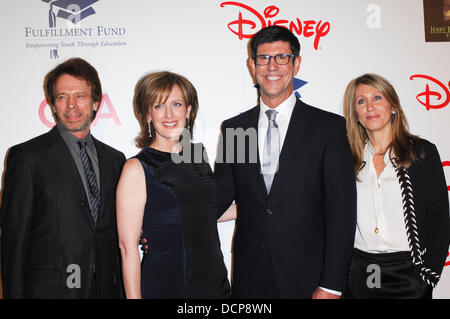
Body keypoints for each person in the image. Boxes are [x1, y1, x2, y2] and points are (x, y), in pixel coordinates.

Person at [214, 25, 357, 298]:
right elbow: (215, 200)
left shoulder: (328, 128)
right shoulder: (236, 129)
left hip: (310, 279)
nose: (272, 66)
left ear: (297, 63)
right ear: (252, 65)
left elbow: (342, 213)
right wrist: (163, 225)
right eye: (264, 58)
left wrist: (331, 284)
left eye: (282, 57)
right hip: (251, 279)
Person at [0, 58, 126, 298]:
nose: (71, 106)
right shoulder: (27, 157)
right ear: (52, 105)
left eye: (80, 96)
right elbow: (14, 245)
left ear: (96, 102)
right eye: (62, 97)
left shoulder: (116, 160)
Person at [116, 71, 231, 299]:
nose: (168, 114)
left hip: (214, 285)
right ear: (148, 114)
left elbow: (207, 211)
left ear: (188, 111)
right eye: (158, 106)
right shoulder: (137, 168)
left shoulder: (198, 155)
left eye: (176, 104)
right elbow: (127, 248)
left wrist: (266, 204)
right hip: (166, 284)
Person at [342, 73, 450, 298]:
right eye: (361, 101)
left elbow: (440, 217)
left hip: (409, 273)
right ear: (356, 114)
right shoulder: (346, 158)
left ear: (393, 107)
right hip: (363, 271)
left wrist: (429, 273)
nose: (370, 106)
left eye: (377, 97)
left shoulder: (422, 152)